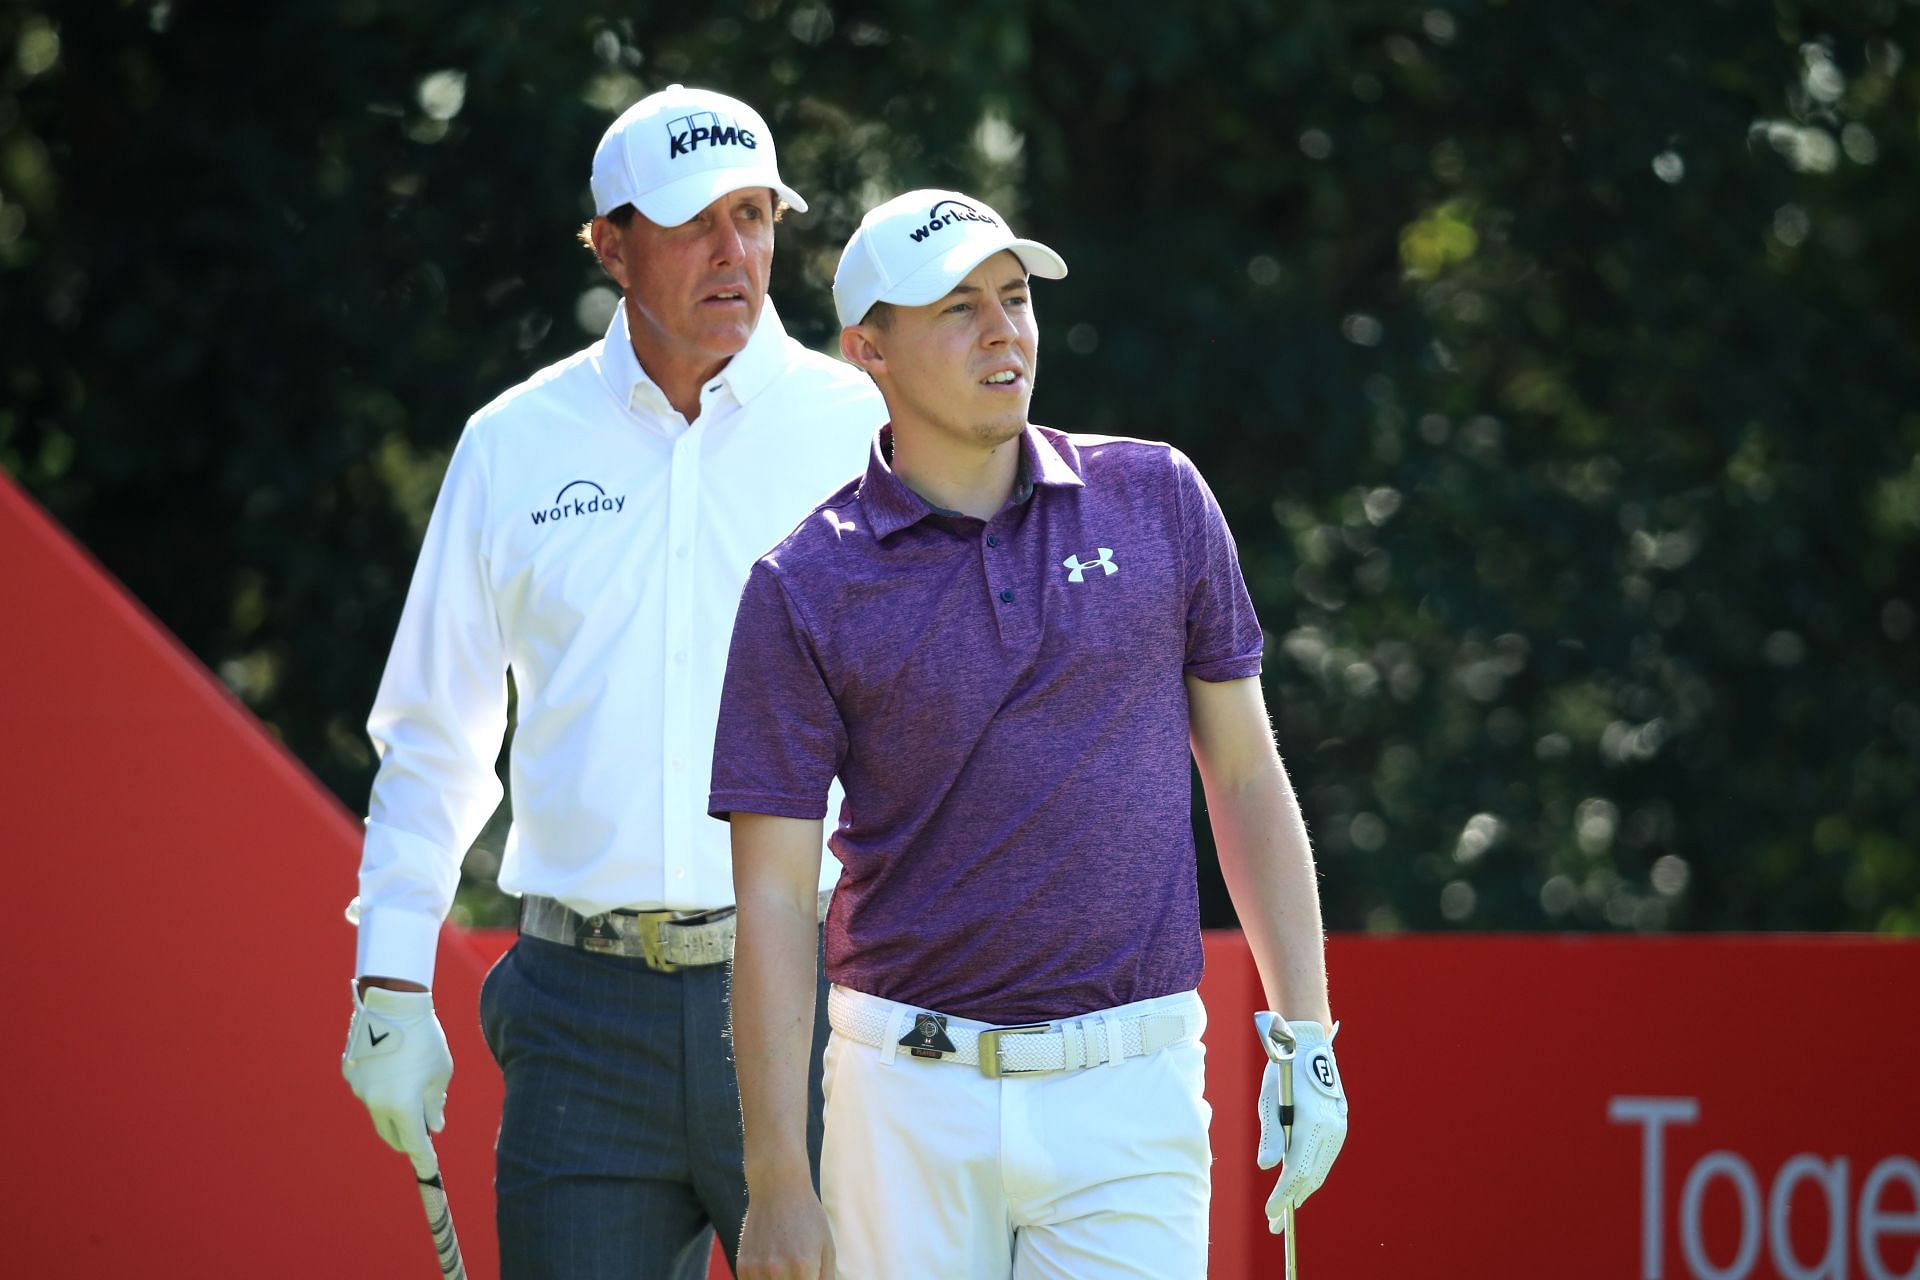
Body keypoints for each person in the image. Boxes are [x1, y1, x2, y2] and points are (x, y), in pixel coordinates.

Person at [710, 189, 1351, 1280]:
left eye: (1015, 297)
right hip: (902, 1094)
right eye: (960, 307)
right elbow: (771, 896)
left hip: (1130, 1087)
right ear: (870, 348)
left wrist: (1309, 1035)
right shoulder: (805, 582)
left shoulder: (1157, 498)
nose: (1005, 330)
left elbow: (1243, 773)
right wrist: (777, 1174)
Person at [338, 84, 886, 1278]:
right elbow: (437, 736)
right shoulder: (513, 444)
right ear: (609, 244)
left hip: (822, 1003)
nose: (735, 253)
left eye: (755, 214)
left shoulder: (867, 431)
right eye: (696, 222)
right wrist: (389, 973)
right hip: (582, 1017)